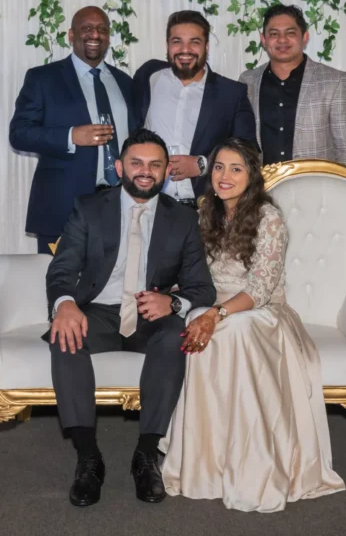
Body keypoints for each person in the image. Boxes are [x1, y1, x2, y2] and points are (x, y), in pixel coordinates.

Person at [161, 137, 346, 513]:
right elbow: (194, 272)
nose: (224, 176)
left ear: (252, 175)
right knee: (197, 320)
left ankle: (255, 462)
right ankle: (207, 464)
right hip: (215, 303)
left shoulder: (269, 218)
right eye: (218, 167)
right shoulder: (203, 213)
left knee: (234, 328)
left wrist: (217, 314)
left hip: (263, 313)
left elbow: (260, 290)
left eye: (235, 168)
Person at [44, 128, 216, 508]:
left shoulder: (184, 219)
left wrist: (171, 304)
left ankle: (146, 454)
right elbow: (61, 269)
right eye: (136, 163)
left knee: (175, 336)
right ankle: (88, 458)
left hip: (149, 314)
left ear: (166, 170)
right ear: (119, 166)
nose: (145, 171)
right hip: (99, 313)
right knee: (64, 334)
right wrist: (66, 304)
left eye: (155, 165)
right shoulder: (89, 208)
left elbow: (202, 287)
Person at [10, 6, 140, 253]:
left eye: (102, 29)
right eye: (87, 28)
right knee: (61, 286)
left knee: (113, 286)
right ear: (71, 35)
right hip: (63, 207)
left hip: (120, 205)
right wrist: (71, 135)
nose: (95, 34)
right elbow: (19, 133)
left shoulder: (125, 82)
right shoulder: (43, 78)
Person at [133, 10, 256, 207]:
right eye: (177, 41)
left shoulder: (231, 93)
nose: (185, 49)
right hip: (151, 204)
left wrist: (203, 165)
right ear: (167, 46)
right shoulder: (149, 76)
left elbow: (249, 152)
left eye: (194, 42)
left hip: (206, 208)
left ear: (206, 47)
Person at [239, 4, 346, 172]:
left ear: (304, 37)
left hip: (317, 189)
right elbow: (240, 147)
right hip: (262, 191)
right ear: (263, 39)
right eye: (274, 34)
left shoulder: (335, 82)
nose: (282, 40)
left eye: (290, 33)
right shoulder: (247, 81)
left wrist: (338, 194)